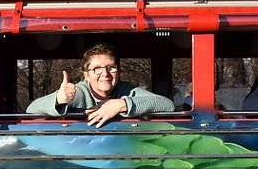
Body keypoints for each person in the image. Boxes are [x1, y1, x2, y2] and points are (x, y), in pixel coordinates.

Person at [27, 43, 174, 127]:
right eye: (97, 69)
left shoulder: (128, 91)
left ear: (119, 71)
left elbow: (167, 105)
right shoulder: (79, 93)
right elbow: (31, 110)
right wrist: (58, 100)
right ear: (86, 74)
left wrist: (122, 104)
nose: (105, 74)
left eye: (111, 67)